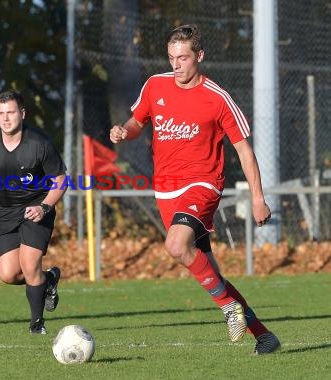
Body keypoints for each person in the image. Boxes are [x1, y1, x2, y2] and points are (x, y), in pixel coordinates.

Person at [110, 24, 281, 354]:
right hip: (165, 190)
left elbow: (245, 151)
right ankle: (263, 334)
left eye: (183, 58)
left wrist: (258, 199)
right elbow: (137, 122)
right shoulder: (155, 85)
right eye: (172, 57)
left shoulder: (217, 99)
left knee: (176, 246)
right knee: (211, 272)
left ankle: (228, 309)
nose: (176, 65)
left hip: (203, 184)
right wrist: (123, 131)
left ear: (199, 56)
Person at [0, 90, 66, 334]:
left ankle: (37, 323)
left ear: (22, 114)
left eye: (11, 112)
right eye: (1, 113)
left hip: (35, 209)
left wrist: (44, 206)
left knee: (29, 263)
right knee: (7, 274)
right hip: (2, 212)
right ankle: (49, 279)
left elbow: (60, 179)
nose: (5, 119)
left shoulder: (39, 143)